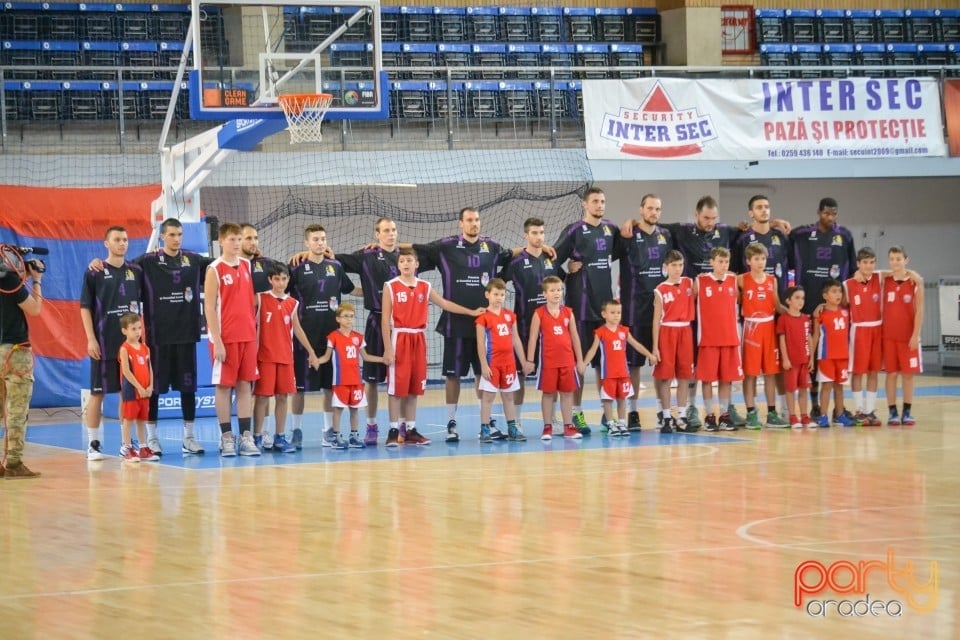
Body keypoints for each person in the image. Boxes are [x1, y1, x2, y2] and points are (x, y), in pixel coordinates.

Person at [411, 207, 513, 443]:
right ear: (460, 223)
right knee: (452, 376)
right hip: (455, 324)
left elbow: (512, 254)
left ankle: (485, 424)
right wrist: (384, 246)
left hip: (486, 324)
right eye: (469, 220)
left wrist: (537, 248)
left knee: (483, 374)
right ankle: (451, 421)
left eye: (477, 220)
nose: (474, 224)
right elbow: (414, 249)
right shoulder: (445, 246)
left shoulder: (492, 247)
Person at [381, 247, 482, 447]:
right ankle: (393, 430)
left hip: (419, 338)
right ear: (398, 265)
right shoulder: (390, 286)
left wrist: (471, 312)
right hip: (399, 337)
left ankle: (410, 429)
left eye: (410, 260)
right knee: (396, 388)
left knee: (414, 388)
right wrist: (387, 348)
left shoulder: (425, 286)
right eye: (402, 261)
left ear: (417, 264)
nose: (406, 264)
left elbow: (445, 303)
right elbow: (385, 319)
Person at [128, 218, 210, 456]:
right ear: (162, 236)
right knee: (154, 390)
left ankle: (189, 438)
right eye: (172, 234)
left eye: (180, 234)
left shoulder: (193, 260)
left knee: (188, 389)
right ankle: (152, 439)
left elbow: (223, 264)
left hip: (186, 336)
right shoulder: (148, 261)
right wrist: (98, 264)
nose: (176, 238)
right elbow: (122, 269)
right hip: (158, 339)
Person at [553, 187, 620, 434]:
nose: (600, 205)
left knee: (605, 366)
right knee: (579, 365)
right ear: (585, 204)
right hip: (580, 307)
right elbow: (551, 258)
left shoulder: (611, 230)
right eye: (595, 201)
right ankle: (577, 414)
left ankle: (607, 414)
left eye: (603, 201)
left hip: (605, 308)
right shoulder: (574, 230)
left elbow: (626, 245)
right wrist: (565, 270)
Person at [287, 224, 359, 450]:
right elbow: (282, 293)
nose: (320, 243)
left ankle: (328, 431)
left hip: (332, 338)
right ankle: (296, 430)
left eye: (323, 239)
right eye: (315, 239)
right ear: (306, 243)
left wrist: (382, 294)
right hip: (304, 337)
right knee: (298, 387)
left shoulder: (335, 267)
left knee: (330, 386)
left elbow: (350, 289)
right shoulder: (296, 268)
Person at [333, 216, 400, 446]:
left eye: (393, 230)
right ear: (377, 234)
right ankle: (371, 425)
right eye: (386, 230)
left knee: (399, 379)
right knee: (372, 380)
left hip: (400, 325)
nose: (391, 234)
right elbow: (334, 258)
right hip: (376, 321)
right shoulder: (366, 256)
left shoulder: (407, 258)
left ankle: (402, 426)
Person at [80, 226, 143, 462]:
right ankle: (94, 444)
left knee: (128, 396)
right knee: (98, 394)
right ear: (106, 243)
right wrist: (90, 338)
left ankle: (126, 444)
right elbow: (85, 307)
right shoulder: (94, 271)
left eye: (125, 239)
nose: (122, 243)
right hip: (104, 343)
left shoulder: (136, 271)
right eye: (117, 239)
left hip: (130, 347)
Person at [790, 197, 856, 416]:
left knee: (835, 356)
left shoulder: (844, 236)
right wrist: (775, 224)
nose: (830, 217)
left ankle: (839, 407)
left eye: (834, 214)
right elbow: (781, 237)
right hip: (809, 306)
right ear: (819, 212)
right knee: (813, 357)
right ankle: (815, 404)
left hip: (835, 308)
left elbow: (852, 271)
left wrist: (843, 302)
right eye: (827, 213)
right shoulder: (802, 234)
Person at [614, 194, 673, 432]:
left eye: (658, 209)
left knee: (661, 362)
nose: (654, 212)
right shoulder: (628, 234)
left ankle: (663, 410)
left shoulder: (666, 236)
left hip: (660, 311)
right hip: (634, 309)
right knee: (634, 366)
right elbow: (608, 254)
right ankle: (633, 411)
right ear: (641, 210)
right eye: (650, 208)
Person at [499, 217, 563, 420]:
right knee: (520, 374)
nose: (539, 237)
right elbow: (498, 283)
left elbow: (564, 279)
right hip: (524, 326)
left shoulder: (550, 259)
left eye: (542, 232)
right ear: (526, 235)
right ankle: (516, 421)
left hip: (551, 327)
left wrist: (573, 269)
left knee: (553, 374)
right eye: (534, 233)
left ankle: (552, 420)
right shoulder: (516, 262)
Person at [204, 222, 260, 457]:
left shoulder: (247, 265)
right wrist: (217, 341)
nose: (237, 244)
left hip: (247, 336)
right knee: (224, 386)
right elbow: (208, 306)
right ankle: (226, 437)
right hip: (225, 338)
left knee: (245, 385)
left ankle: (246, 437)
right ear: (221, 242)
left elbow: (252, 302)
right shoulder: (214, 269)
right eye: (232, 240)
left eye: (239, 239)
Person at [254, 262, 320, 454]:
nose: (280, 283)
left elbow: (297, 329)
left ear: (288, 280)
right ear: (270, 280)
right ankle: (257, 436)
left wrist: (312, 352)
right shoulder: (260, 298)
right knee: (262, 398)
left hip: (285, 358)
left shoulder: (293, 303)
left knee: (282, 397)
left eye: (284, 279)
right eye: (277, 279)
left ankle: (280, 437)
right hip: (264, 357)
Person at [581, 299, 657, 436]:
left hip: (623, 372)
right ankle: (610, 424)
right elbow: (592, 350)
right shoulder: (600, 332)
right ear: (604, 314)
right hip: (608, 373)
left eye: (618, 313)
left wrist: (650, 355)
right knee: (607, 399)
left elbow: (636, 345)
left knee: (622, 399)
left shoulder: (624, 331)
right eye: (612, 313)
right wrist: (583, 363)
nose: (616, 315)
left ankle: (622, 423)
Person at [316, 302, 385, 448]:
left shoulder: (358, 338)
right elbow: (326, 357)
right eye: (345, 316)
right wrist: (316, 361)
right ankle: (335, 437)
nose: (349, 319)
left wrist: (382, 359)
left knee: (355, 410)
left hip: (355, 381)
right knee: (338, 409)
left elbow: (366, 357)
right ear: (338, 319)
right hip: (340, 381)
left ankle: (354, 436)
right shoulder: (333, 337)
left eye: (351, 317)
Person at [526, 275, 586, 441]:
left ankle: (568, 426)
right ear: (545, 293)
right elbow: (532, 338)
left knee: (567, 394)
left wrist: (580, 361)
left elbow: (575, 337)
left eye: (559, 290)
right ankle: (547, 427)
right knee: (548, 394)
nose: (556, 293)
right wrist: (530, 360)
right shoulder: (539, 314)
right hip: (549, 362)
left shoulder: (568, 312)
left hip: (567, 361)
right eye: (552, 290)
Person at [0, 254, 44, 479]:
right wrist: (36, 279)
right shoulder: (9, 281)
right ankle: (14, 463)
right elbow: (35, 309)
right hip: (15, 352)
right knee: (16, 410)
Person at [475, 278, 533, 442]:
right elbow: (480, 344)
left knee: (508, 396)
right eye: (495, 294)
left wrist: (523, 362)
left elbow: (516, 340)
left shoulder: (510, 316)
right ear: (487, 295)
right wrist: (484, 366)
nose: (499, 297)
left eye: (502, 294)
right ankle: (485, 429)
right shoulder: (483, 318)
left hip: (509, 364)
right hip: (492, 364)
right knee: (488, 397)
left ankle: (512, 427)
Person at [738, 242, 788, 429]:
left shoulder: (771, 280)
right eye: (757, 259)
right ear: (748, 261)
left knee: (771, 373)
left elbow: (777, 306)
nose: (760, 262)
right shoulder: (741, 280)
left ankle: (772, 413)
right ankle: (751, 412)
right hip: (751, 328)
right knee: (750, 374)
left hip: (769, 327)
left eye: (763, 259)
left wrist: (795, 315)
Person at [694, 248, 742, 434]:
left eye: (726, 262)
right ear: (712, 262)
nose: (723, 265)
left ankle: (724, 415)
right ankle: (709, 416)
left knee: (726, 380)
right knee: (707, 380)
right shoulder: (700, 281)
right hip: (708, 339)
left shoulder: (733, 280)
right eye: (720, 261)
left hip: (729, 338)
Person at [651, 250, 696, 433]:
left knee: (685, 375)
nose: (678, 269)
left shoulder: (689, 283)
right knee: (666, 377)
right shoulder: (660, 289)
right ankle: (667, 416)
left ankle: (682, 416)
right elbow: (656, 320)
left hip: (685, 330)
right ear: (666, 267)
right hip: (666, 332)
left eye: (680, 265)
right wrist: (655, 347)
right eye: (674, 265)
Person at [882, 246, 924, 427]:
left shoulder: (915, 282)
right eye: (892, 259)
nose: (895, 262)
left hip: (908, 337)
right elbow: (867, 272)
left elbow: (920, 310)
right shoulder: (884, 280)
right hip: (888, 337)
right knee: (890, 374)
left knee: (908, 375)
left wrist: (916, 335)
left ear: (906, 260)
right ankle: (892, 412)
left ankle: (907, 412)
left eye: (898, 259)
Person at [843, 248, 884, 427]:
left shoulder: (879, 277)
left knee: (874, 371)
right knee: (858, 371)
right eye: (865, 262)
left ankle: (870, 410)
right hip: (859, 330)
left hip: (877, 328)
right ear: (858, 264)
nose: (869, 266)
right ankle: (859, 410)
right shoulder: (848, 284)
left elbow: (898, 272)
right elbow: (839, 303)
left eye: (872, 262)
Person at [117, 313, 157, 462]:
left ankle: (143, 447)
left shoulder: (145, 348)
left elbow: (149, 368)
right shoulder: (125, 348)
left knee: (142, 419)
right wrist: (139, 387)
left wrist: (151, 385)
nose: (137, 332)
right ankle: (127, 448)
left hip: (144, 390)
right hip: (132, 391)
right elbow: (126, 371)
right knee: (129, 419)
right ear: (124, 331)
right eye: (133, 329)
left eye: (139, 328)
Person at [812, 280, 852, 427]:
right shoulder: (820, 313)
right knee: (827, 386)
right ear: (825, 296)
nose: (838, 294)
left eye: (840, 291)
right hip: (826, 355)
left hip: (843, 356)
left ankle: (840, 414)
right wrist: (811, 357)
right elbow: (815, 336)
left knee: (840, 387)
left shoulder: (846, 311)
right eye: (834, 291)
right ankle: (823, 416)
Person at [776, 287, 815, 428]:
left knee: (804, 389)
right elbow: (782, 340)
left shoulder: (806, 318)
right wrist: (785, 359)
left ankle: (804, 416)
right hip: (791, 362)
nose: (800, 301)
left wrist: (811, 358)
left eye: (802, 298)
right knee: (791, 389)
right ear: (788, 301)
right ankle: (793, 416)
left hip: (804, 360)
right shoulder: (783, 319)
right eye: (797, 298)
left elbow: (809, 338)